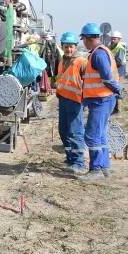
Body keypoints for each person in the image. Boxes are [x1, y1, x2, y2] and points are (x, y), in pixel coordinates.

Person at [77, 22, 121, 181]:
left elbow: (107, 77)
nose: (83, 42)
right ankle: (104, 167)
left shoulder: (98, 54)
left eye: (83, 39)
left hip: (101, 99)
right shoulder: (101, 51)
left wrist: (118, 91)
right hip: (102, 99)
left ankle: (96, 169)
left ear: (88, 39)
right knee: (100, 134)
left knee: (92, 135)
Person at [55, 31, 87, 174]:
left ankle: (78, 163)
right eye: (66, 46)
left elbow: (88, 82)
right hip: (63, 99)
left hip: (75, 100)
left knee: (75, 132)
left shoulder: (81, 62)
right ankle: (70, 158)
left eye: (71, 47)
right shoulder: (62, 62)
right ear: (62, 46)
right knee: (63, 131)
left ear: (76, 47)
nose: (69, 49)